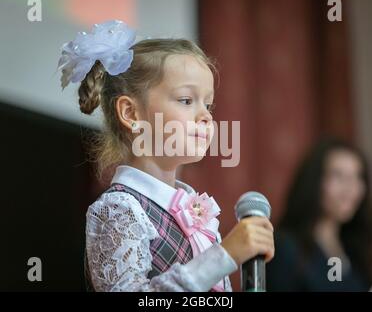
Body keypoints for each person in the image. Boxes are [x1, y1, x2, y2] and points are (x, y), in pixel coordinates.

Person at [57, 20, 274, 292]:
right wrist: (224, 256)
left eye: (208, 104)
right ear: (131, 113)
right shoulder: (120, 209)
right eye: (186, 100)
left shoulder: (198, 215)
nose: (206, 116)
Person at [267, 138, 372, 291]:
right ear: (315, 181)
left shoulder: (356, 249)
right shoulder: (286, 247)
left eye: (357, 177)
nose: (351, 188)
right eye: (338, 176)